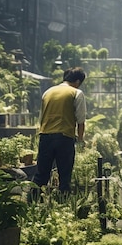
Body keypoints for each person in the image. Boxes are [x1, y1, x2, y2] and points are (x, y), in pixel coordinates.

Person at [32, 67, 86, 197]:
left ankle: (31, 203)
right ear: (78, 81)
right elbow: (80, 120)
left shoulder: (48, 92)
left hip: (45, 136)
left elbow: (41, 117)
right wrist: (80, 140)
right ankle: (64, 205)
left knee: (41, 175)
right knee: (64, 176)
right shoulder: (76, 93)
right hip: (64, 137)